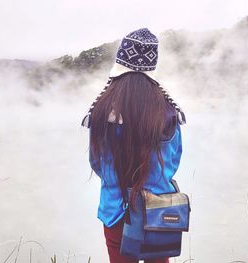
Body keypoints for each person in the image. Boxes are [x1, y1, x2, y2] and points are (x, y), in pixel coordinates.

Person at [81, 28, 186, 263]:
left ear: (121, 62)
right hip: (158, 212)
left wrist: (116, 181)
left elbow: (96, 163)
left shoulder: (100, 111)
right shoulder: (168, 112)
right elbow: (174, 160)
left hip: (115, 213)